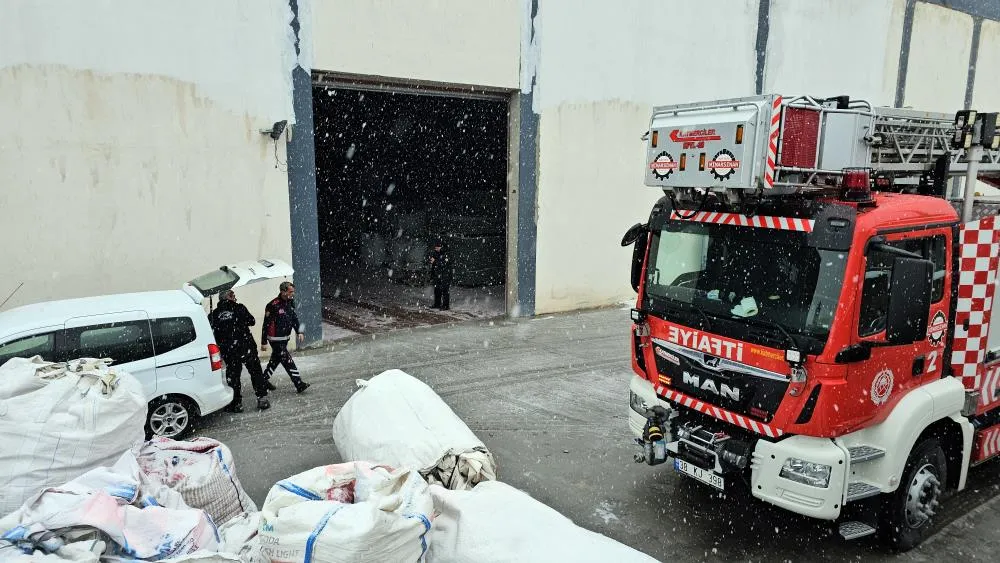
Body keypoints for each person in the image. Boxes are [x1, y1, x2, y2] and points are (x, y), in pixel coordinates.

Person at [208, 290, 270, 412]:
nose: (235, 298)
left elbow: (211, 331)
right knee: (255, 371)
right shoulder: (239, 308)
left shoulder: (214, 314)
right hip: (245, 346)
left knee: (233, 376)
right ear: (229, 297)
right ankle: (262, 398)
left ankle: (236, 403)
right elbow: (252, 321)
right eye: (233, 295)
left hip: (228, 350)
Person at [261, 281, 310, 393]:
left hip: (284, 338)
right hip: (275, 339)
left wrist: (299, 332)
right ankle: (299, 384)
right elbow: (266, 324)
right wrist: (263, 342)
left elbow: (294, 318)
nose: (293, 294)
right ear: (283, 292)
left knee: (275, 360)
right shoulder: (272, 305)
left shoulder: (290, 302)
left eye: (293, 291)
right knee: (288, 361)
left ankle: (263, 380)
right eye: (290, 291)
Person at [429, 238, 452, 310]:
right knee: (437, 290)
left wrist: (435, 261)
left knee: (445, 290)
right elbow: (433, 263)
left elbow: (444, 263)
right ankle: (437, 304)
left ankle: (446, 305)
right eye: (436, 247)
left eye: (438, 247)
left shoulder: (446, 253)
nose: (436, 248)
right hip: (438, 274)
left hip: (445, 275)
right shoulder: (435, 252)